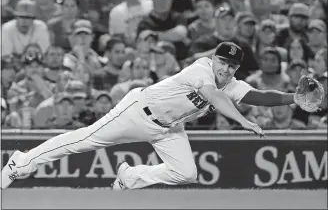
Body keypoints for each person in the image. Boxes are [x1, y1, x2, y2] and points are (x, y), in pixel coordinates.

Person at [1, 42, 309, 190]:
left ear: (237, 69)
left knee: (187, 173)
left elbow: (260, 96)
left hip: (167, 129)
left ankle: (130, 178)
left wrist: (291, 98)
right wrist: (242, 121)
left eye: (231, 65)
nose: (225, 68)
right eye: (221, 61)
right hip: (137, 111)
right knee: (83, 141)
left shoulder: (232, 84)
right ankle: (21, 162)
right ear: (212, 59)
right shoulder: (201, 69)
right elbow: (213, 95)